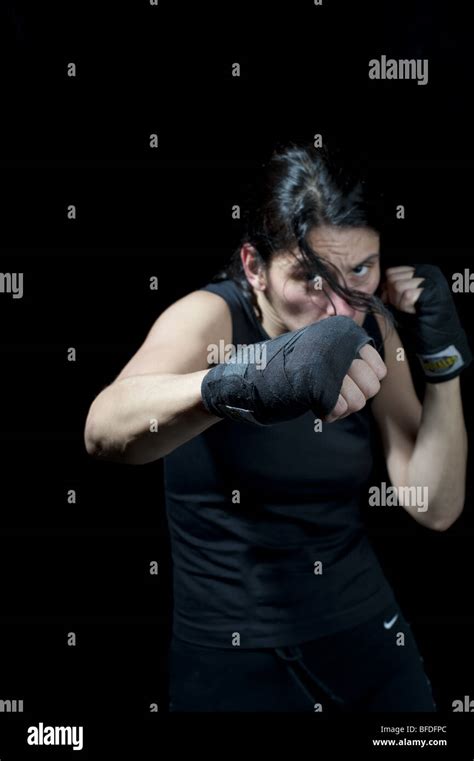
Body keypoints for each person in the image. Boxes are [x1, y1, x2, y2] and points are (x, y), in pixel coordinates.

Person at [84, 142, 471, 712]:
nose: (340, 308)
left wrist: (442, 364)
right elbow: (102, 428)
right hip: (231, 653)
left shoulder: (373, 331)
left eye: (360, 269)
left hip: (365, 634)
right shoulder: (212, 317)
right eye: (312, 277)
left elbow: (433, 504)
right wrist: (245, 378)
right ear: (254, 268)